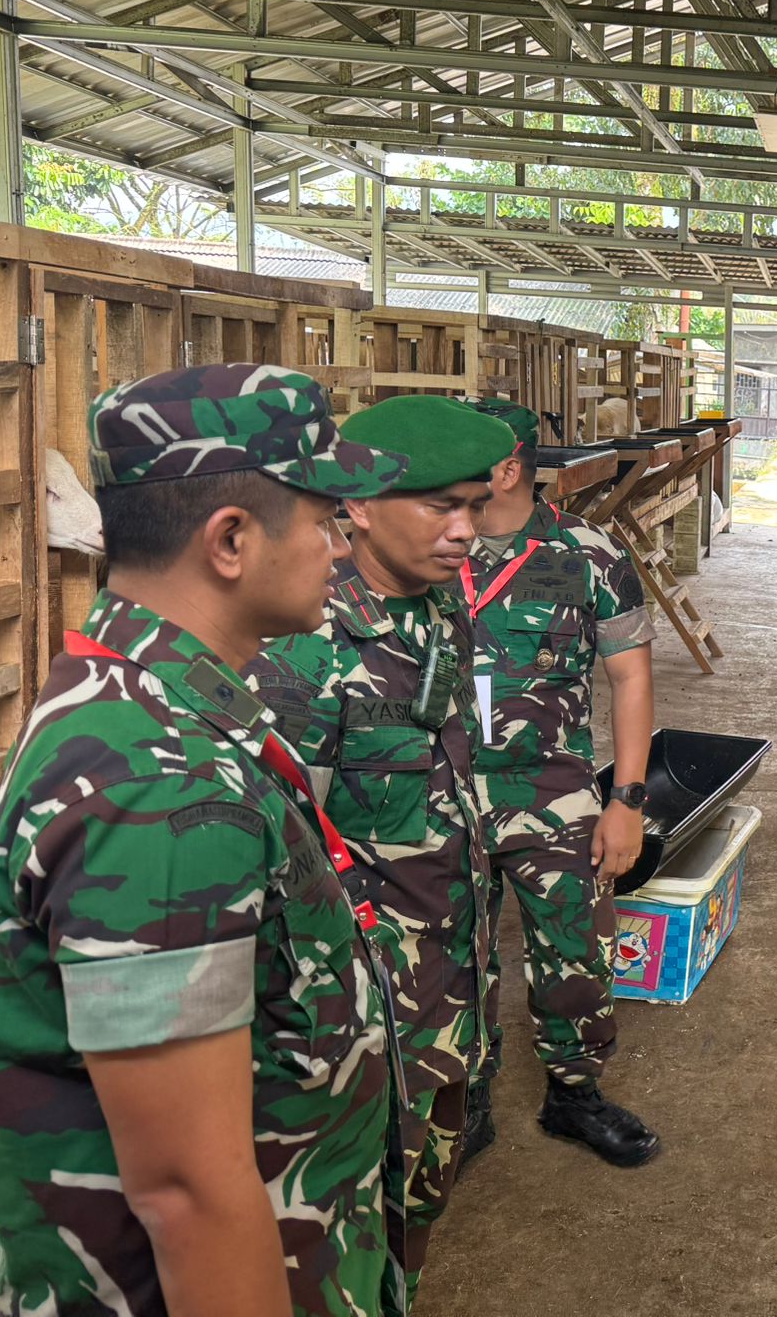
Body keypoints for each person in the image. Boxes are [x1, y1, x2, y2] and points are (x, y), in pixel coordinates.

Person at [0, 364, 410, 1316]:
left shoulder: (163, 704)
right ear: (231, 540)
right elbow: (187, 1198)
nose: (342, 548)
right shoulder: (158, 785)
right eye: (325, 520)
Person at [246, 393, 514, 1300]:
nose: (465, 530)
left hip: (447, 989)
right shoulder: (306, 649)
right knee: (339, 1251)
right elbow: (283, 873)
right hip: (357, 1026)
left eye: (474, 506)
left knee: (418, 1213)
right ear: (356, 507)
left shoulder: (440, 612)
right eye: (441, 507)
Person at [458, 399, 660, 1169]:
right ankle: (463, 1098)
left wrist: (626, 800)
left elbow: (630, 679)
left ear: (509, 467)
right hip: (438, 790)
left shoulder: (586, 554)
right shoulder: (429, 545)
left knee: (575, 949)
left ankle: (574, 1093)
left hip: (552, 790)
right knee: (448, 956)